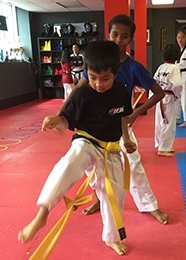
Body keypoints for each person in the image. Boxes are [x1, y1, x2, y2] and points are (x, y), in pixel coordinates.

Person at [18, 41, 137, 256]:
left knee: (115, 195)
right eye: (92, 78)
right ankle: (43, 211)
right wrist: (57, 120)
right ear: (86, 73)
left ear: (116, 73)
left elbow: (123, 119)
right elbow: (67, 119)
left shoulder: (121, 92)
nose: (98, 84)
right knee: (71, 160)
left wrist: (126, 139)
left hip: (110, 149)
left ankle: (111, 238)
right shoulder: (83, 95)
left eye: (105, 79)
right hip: (86, 142)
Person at [67, 14, 168, 224]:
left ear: (130, 39)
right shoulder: (98, 61)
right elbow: (79, 88)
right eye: (114, 34)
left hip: (120, 126)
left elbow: (159, 93)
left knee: (134, 163)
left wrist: (135, 113)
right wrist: (62, 111)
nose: (118, 40)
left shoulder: (133, 67)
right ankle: (99, 198)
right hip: (93, 127)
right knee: (91, 166)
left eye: (124, 36)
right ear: (108, 34)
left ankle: (149, 205)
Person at [153, 43, 182, 157]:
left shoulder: (161, 67)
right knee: (168, 122)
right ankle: (164, 148)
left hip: (159, 97)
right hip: (168, 97)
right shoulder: (175, 68)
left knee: (160, 122)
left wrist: (153, 95)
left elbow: (154, 81)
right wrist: (177, 95)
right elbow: (178, 84)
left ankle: (160, 144)